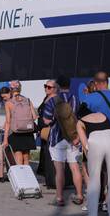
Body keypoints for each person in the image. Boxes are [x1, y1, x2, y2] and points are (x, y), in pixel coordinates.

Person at [43, 78, 83, 207]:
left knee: (59, 170)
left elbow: (46, 121)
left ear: (58, 86)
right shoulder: (76, 99)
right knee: (75, 168)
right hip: (73, 138)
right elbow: (79, 117)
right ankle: (79, 195)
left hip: (57, 138)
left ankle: (59, 198)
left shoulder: (52, 100)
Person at [77, 105, 110, 216]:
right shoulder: (102, 114)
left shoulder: (80, 122)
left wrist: (89, 158)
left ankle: (92, 213)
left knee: (94, 180)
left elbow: (85, 145)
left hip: (95, 140)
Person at [2, 80, 37, 165]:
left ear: (10, 90)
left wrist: (5, 139)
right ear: (20, 89)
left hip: (16, 133)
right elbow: (35, 116)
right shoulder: (27, 100)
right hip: (28, 132)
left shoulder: (9, 103)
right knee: (26, 158)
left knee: (18, 157)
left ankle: (21, 177)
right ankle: (27, 177)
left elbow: (8, 122)